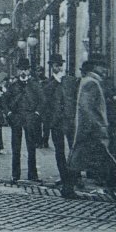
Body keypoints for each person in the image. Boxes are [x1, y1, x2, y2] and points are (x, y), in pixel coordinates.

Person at [64, 55, 116, 200]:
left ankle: (67, 188)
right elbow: (87, 109)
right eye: (102, 67)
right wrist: (99, 128)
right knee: (104, 160)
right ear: (95, 67)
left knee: (83, 161)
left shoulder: (91, 82)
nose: (105, 70)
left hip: (88, 131)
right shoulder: (91, 83)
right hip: (91, 131)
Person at [3, 57, 44, 183]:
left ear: (29, 70)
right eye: (21, 69)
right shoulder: (13, 85)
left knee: (31, 148)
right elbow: (4, 101)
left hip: (30, 118)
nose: (23, 72)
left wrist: (37, 113)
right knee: (16, 148)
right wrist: (9, 113)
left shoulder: (35, 85)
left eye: (25, 69)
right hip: (17, 118)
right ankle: (15, 174)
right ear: (18, 70)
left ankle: (33, 174)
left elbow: (42, 100)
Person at [42, 53, 78, 189]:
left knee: (73, 148)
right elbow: (45, 96)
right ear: (51, 67)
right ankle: (64, 176)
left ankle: (75, 176)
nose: (59, 67)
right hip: (56, 122)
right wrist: (56, 81)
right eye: (56, 65)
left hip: (69, 120)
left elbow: (75, 98)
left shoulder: (71, 80)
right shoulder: (48, 83)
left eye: (60, 65)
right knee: (59, 150)